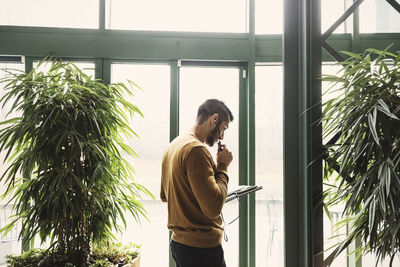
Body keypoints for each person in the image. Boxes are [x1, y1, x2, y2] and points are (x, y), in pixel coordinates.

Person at [160, 99, 234, 267]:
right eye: (223, 128)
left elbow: (165, 195)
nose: (221, 136)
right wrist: (222, 167)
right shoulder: (196, 150)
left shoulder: (174, 145)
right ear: (214, 120)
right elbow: (213, 208)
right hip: (202, 250)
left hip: (179, 245)